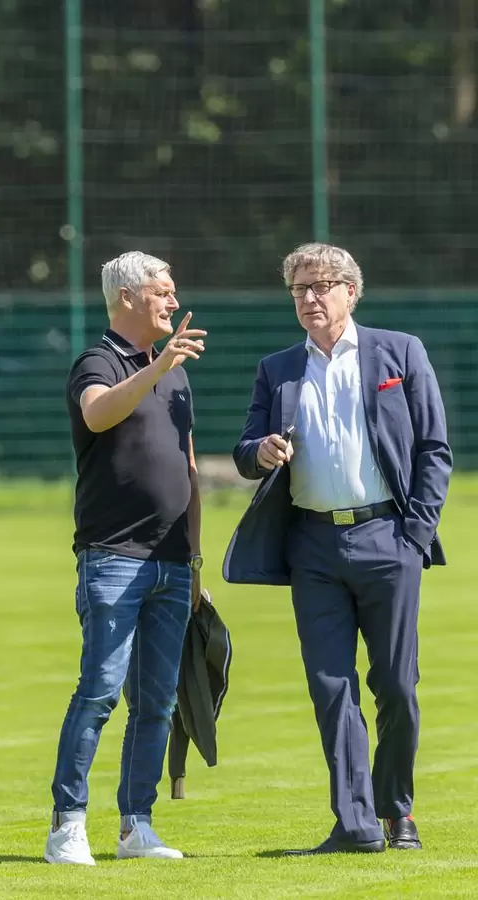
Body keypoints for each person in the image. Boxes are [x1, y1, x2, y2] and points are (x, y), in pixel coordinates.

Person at [226, 242, 452, 855]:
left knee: (397, 686)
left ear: (352, 291)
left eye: (322, 285)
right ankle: (354, 826)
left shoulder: (399, 352)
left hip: (389, 539)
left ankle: (396, 810)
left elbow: (434, 450)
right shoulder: (277, 369)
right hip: (313, 547)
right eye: (299, 288)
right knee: (331, 687)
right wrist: (261, 452)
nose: (309, 298)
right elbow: (247, 450)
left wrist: (416, 534)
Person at [45, 251, 206, 865]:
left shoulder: (177, 371)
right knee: (100, 691)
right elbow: (98, 410)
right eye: (163, 292)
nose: (172, 301)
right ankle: (68, 825)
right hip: (114, 556)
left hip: (171, 561)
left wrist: (194, 560)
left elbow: (189, 468)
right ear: (130, 297)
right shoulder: (98, 361)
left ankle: (136, 825)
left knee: (157, 700)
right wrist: (155, 366)